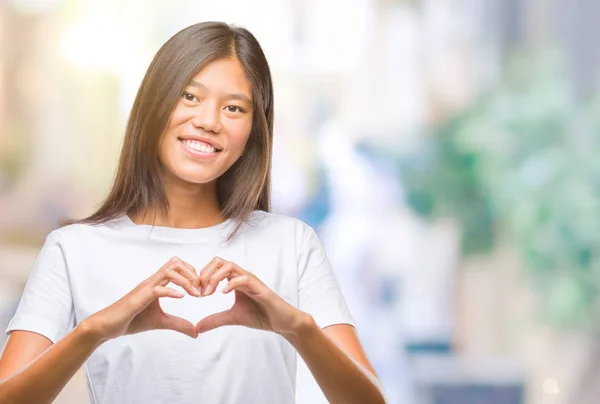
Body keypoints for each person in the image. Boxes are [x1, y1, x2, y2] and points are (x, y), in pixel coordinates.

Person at [0, 22, 386, 404]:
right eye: (190, 96)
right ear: (154, 102)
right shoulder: (74, 249)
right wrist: (93, 331)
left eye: (234, 108)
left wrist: (299, 328)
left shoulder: (292, 243)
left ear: (253, 129)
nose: (208, 121)